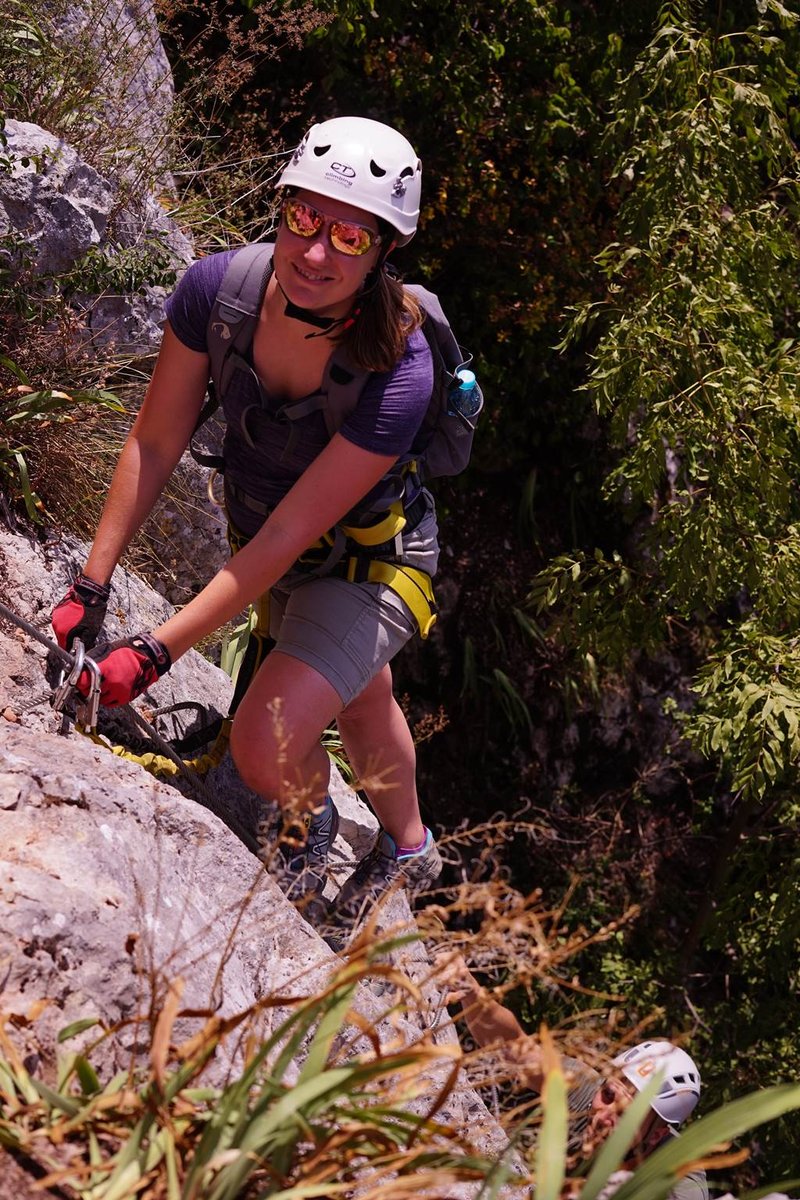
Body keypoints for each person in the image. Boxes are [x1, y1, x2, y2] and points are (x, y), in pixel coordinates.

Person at [50, 116, 443, 936]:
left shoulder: (400, 367)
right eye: (305, 217)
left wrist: (156, 652)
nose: (317, 252)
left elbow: (288, 535)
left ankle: (313, 827)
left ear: (382, 254)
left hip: (372, 563)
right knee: (362, 697)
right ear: (281, 205)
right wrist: (91, 583)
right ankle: (408, 846)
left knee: (265, 746)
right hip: (278, 548)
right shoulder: (217, 294)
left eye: (349, 235)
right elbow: (154, 443)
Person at [440, 956, 707, 1199]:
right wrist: (472, 996)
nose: (604, 1117)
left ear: (656, 1135)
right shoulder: (588, 1092)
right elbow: (517, 1050)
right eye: (609, 1095)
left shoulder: (679, 1185)